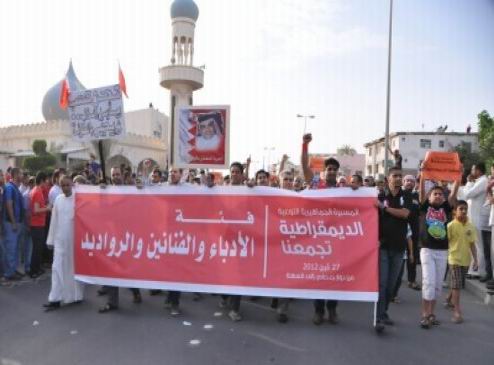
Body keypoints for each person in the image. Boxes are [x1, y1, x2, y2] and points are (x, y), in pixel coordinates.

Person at [301, 133, 341, 325]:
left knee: (334, 276)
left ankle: (332, 309)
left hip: (337, 240)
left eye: (334, 169)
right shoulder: (317, 184)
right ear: (324, 171)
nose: (332, 171)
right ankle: (318, 310)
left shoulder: (345, 190)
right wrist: (304, 146)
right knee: (319, 275)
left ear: (337, 172)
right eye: (329, 169)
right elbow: (304, 169)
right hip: (317, 238)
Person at [99, 167, 142, 313]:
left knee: (126, 269)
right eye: (113, 175)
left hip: (126, 238)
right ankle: (112, 301)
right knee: (111, 269)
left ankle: (135, 291)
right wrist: (101, 192)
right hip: (111, 237)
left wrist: (140, 189)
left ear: (121, 176)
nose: (116, 177)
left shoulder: (130, 190)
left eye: (117, 174)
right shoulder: (107, 191)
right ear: (110, 176)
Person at [375, 167, 413, 333]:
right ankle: (378, 318)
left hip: (399, 248)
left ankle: (384, 312)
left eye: (400, 176)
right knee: (382, 284)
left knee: (391, 285)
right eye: (395, 176)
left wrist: (384, 209)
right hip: (382, 247)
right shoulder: (380, 196)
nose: (398, 178)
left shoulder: (407, 196)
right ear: (387, 178)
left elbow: (404, 214)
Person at [418, 174, 459, 329]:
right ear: (429, 197)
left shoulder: (445, 208)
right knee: (428, 282)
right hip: (427, 249)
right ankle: (424, 315)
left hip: (442, 251)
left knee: (437, 286)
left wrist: (458, 175)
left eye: (441, 194)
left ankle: (432, 314)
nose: (438, 196)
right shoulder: (424, 207)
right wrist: (422, 175)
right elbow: (422, 191)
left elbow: (454, 193)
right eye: (435, 193)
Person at [43, 176, 84, 311]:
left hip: (74, 242)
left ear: (72, 184)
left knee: (73, 270)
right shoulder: (58, 200)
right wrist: (50, 240)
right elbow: (54, 221)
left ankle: (76, 296)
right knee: (57, 268)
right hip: (60, 241)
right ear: (60, 187)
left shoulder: (79, 199)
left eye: (68, 185)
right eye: (63, 185)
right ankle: (55, 299)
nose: (66, 187)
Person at [444, 200, 478, 323]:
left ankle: (448, 298)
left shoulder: (471, 226)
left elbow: (472, 244)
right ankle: (457, 311)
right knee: (457, 285)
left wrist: (476, 260)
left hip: (466, 260)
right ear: (455, 211)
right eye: (461, 209)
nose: (463, 211)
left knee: (457, 284)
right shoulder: (450, 226)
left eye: (465, 209)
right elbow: (445, 243)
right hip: (453, 259)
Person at [219, 162, 245, 321]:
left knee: (239, 274)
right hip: (225, 239)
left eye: (237, 172)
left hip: (243, 239)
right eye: (232, 172)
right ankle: (224, 296)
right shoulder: (222, 191)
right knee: (225, 271)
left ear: (242, 175)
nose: (234, 174)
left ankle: (235, 308)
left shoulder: (249, 191)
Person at [463, 163, 489, 280]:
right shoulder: (479, 181)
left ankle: (478, 271)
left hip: (477, 218)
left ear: (478, 170)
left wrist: (468, 182)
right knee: (473, 244)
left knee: (478, 245)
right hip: (473, 217)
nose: (471, 171)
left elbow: (467, 194)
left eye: (473, 169)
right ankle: (473, 269)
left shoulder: (483, 181)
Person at [2, 167, 25, 281]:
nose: (23, 175)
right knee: (11, 248)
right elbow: (9, 204)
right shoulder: (10, 187)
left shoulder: (15, 187)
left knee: (15, 248)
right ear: (16, 175)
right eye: (21, 173)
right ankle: (9, 273)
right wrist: (14, 222)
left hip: (16, 223)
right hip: (11, 223)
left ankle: (13, 269)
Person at [29, 171, 52, 278]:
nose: (47, 182)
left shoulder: (36, 190)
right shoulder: (37, 192)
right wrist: (47, 208)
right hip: (37, 225)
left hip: (37, 224)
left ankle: (37, 268)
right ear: (42, 180)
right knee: (37, 248)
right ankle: (34, 271)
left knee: (38, 248)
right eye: (46, 180)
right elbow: (36, 210)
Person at [403, 175, 421, 291]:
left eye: (411, 181)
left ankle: (412, 280)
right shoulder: (399, 194)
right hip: (400, 229)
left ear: (415, 184)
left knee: (412, 256)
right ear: (403, 182)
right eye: (407, 181)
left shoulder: (417, 196)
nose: (409, 182)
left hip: (414, 231)